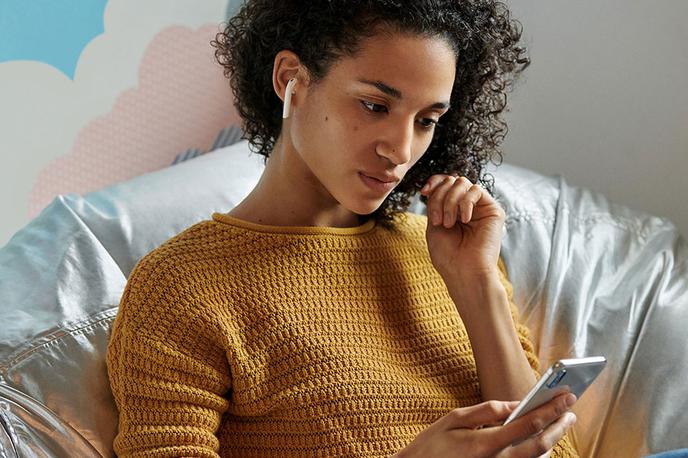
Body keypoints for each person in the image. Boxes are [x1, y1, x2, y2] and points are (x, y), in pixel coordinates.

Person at [106, 0, 580, 456]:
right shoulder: (180, 289)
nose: (400, 149)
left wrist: (477, 285)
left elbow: (552, 452)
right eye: (375, 106)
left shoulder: (446, 254)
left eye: (427, 120)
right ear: (291, 79)